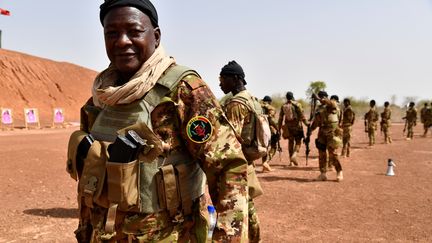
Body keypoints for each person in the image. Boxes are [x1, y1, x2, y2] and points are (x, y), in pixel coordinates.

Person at [66, 1, 248, 242]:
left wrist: (228, 238)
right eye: (112, 33)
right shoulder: (102, 96)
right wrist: (86, 229)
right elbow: (92, 178)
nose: (122, 41)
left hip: (170, 235)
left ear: (156, 36)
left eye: (134, 31)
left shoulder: (183, 92)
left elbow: (228, 168)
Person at [219, 60, 263, 243]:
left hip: (237, 163)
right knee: (248, 204)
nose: (220, 83)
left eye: (223, 79)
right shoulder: (252, 99)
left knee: (237, 210)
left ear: (235, 79)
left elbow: (230, 138)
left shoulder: (236, 104)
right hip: (247, 159)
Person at [308, 91, 343, 182]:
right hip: (322, 132)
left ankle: (339, 172)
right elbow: (316, 121)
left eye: (323, 97)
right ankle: (323, 173)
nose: (321, 99)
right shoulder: (319, 109)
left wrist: (319, 98)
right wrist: (310, 130)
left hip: (332, 132)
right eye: (320, 97)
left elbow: (331, 103)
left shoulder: (332, 105)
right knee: (322, 154)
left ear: (326, 97)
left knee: (332, 154)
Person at [277, 91, 308, 166]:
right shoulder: (297, 105)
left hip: (288, 127)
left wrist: (279, 129)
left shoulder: (283, 106)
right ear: (293, 97)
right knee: (298, 142)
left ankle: (291, 161)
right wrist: (307, 124)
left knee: (290, 142)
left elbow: (280, 118)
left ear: (286, 97)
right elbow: (302, 116)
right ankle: (294, 155)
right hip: (297, 127)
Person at [260, 95, 279, 172]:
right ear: (270, 102)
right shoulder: (271, 108)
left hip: (259, 129)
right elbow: (271, 120)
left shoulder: (258, 106)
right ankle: (265, 162)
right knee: (274, 146)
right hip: (269, 130)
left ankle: (264, 164)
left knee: (265, 147)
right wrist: (277, 128)